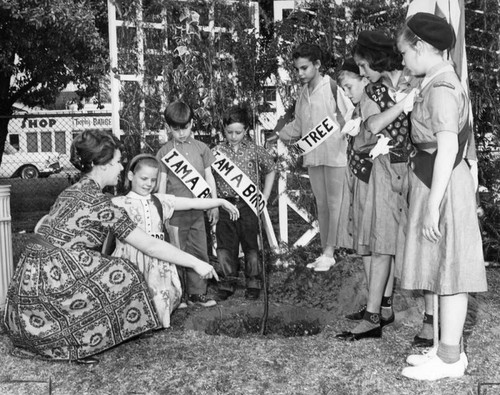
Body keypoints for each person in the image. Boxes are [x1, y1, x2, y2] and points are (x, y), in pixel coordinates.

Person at [3, 130, 218, 365]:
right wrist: (196, 261)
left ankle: (64, 329)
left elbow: (44, 224)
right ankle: (76, 340)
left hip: (28, 280)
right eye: (116, 162)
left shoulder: (72, 190)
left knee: (104, 269)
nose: (120, 168)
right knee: (124, 273)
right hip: (53, 277)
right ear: (100, 165)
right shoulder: (99, 203)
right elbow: (149, 245)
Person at [397, 12, 487, 380]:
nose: (402, 60)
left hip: (445, 184)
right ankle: (442, 347)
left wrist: (433, 205)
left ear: (420, 46)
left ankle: (450, 359)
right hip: (436, 179)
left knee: (450, 270)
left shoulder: (442, 88)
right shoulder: (434, 81)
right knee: (440, 265)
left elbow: (448, 145)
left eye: (404, 52)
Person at [337, 31, 418, 340]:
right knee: (381, 242)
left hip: (406, 170)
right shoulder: (377, 88)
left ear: (375, 59)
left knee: (389, 244)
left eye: (363, 65)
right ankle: (377, 312)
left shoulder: (410, 79)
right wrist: (401, 107)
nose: (362, 73)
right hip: (384, 168)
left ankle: (379, 313)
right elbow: (372, 125)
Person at [111, 154, 239, 328]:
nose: (148, 183)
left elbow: (191, 203)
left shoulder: (160, 201)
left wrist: (220, 201)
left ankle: (156, 324)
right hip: (130, 258)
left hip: (157, 260)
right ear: (131, 176)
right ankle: (130, 326)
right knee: (131, 295)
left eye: (153, 180)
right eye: (144, 178)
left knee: (160, 294)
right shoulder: (118, 203)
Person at [277, 43, 349, 271]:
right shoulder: (303, 93)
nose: (300, 73)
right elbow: (299, 124)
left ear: (318, 65)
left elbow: (350, 117)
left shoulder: (334, 88)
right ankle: (326, 251)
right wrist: (279, 134)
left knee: (336, 203)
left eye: (304, 68)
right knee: (322, 204)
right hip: (314, 157)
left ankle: (332, 250)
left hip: (336, 156)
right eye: (297, 69)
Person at [156, 101, 218, 308]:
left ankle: (197, 293)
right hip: (175, 213)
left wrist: (214, 204)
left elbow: (210, 178)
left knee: (199, 250)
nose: (181, 133)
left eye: (185, 127)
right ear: (168, 128)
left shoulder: (202, 148)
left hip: (198, 211)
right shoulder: (164, 152)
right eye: (176, 129)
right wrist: (161, 211)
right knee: (176, 251)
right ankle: (179, 294)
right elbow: (161, 183)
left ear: (192, 123)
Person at [212, 106, 276, 300]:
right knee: (225, 245)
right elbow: (209, 177)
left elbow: (271, 169)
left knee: (251, 244)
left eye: (238, 132)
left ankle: (253, 282)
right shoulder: (216, 152)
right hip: (225, 204)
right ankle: (227, 282)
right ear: (223, 129)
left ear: (246, 129)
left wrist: (264, 195)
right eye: (229, 132)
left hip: (249, 204)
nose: (233, 136)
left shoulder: (256, 150)